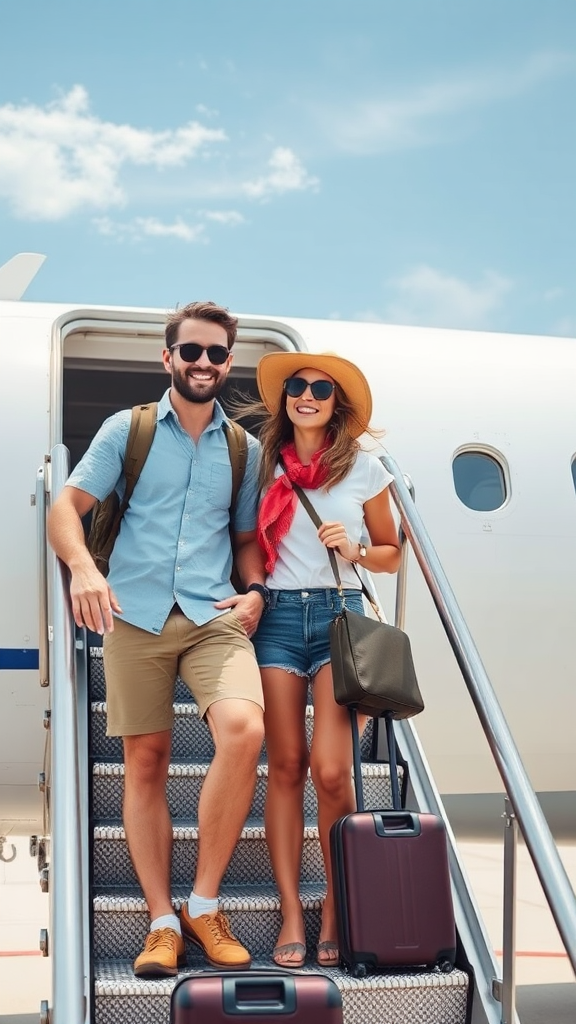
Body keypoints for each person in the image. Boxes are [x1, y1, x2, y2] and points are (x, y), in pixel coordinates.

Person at [47, 302, 269, 978]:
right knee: (145, 765)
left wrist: (257, 590)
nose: (204, 363)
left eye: (216, 354)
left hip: (211, 616)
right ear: (167, 357)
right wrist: (84, 567)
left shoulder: (244, 449)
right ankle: (162, 923)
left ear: (228, 364)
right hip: (135, 614)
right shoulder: (129, 429)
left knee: (243, 731)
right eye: (191, 351)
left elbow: (245, 540)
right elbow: (66, 508)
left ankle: (204, 903)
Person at [250, 351, 401, 968]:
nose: (305, 395)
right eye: (296, 386)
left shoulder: (363, 470)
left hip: (339, 617)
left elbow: (393, 552)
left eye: (319, 388)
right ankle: (291, 911)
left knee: (332, 773)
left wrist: (358, 550)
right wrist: (254, 591)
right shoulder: (262, 465)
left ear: (337, 404)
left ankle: (337, 908)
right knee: (285, 765)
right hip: (279, 619)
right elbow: (245, 542)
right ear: (284, 399)